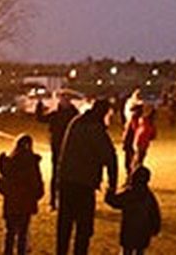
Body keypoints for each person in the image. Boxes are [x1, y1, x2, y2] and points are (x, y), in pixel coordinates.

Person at [56, 97, 118, 255]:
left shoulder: (76, 122)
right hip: (83, 184)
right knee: (83, 228)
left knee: (65, 225)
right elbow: (110, 158)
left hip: (66, 180)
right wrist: (112, 186)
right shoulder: (95, 128)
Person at [0, 133, 45, 255]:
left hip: (11, 203)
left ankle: (8, 252)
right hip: (25, 203)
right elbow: (37, 184)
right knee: (23, 232)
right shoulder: (32, 164)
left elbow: (1, 184)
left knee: (10, 232)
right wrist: (36, 195)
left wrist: (8, 193)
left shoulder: (9, 163)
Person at [106, 165, 162, 255]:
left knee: (127, 250)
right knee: (140, 250)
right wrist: (155, 226)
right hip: (143, 230)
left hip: (129, 229)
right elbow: (154, 212)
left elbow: (115, 202)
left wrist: (109, 193)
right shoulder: (148, 196)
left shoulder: (130, 194)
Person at [37, 93, 79, 210]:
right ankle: (53, 201)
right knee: (56, 174)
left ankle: (68, 201)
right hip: (57, 147)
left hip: (71, 149)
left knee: (70, 175)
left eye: (66, 99)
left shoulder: (74, 115)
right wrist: (39, 105)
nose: (64, 102)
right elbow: (41, 118)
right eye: (62, 99)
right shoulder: (56, 114)